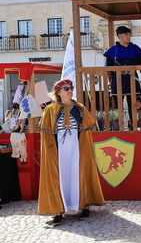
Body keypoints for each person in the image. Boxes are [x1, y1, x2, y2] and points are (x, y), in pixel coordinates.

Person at [38, 79, 105, 226]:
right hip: (59, 149)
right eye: (66, 88)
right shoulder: (50, 109)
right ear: (58, 92)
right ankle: (59, 210)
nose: (70, 90)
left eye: (71, 87)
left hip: (77, 146)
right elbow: (46, 134)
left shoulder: (80, 108)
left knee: (79, 173)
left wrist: (83, 150)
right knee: (60, 176)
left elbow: (85, 134)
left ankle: (85, 205)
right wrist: (51, 152)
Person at [103, 26, 141, 129]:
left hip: (131, 78)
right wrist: (108, 82)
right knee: (117, 105)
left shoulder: (135, 48)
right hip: (117, 79)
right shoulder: (112, 50)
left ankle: (133, 125)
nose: (128, 37)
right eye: (126, 34)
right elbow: (108, 69)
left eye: (129, 34)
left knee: (133, 104)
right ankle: (117, 126)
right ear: (119, 36)